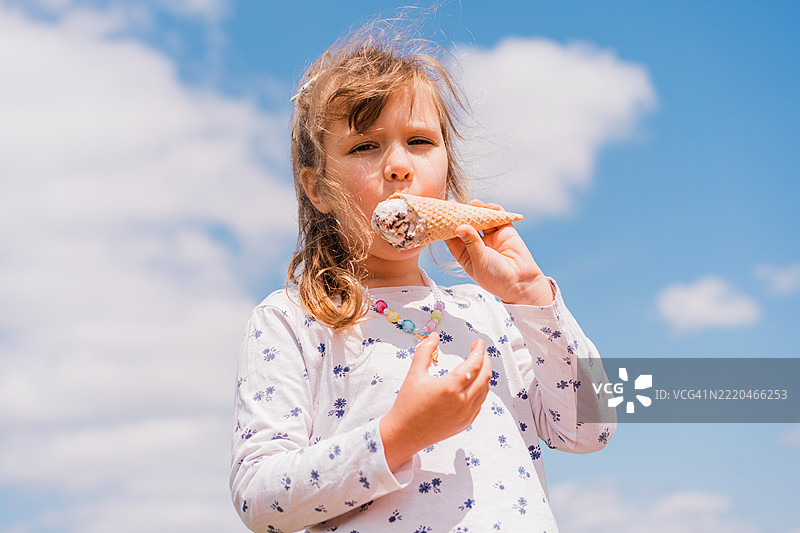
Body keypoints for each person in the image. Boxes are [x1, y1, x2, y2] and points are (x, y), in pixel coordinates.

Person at [230, 20, 615, 533]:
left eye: (419, 141)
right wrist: (396, 437)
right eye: (365, 146)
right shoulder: (293, 322)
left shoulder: (487, 314)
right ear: (317, 189)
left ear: (447, 171)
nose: (397, 166)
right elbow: (260, 500)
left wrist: (530, 296)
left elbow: (590, 427)